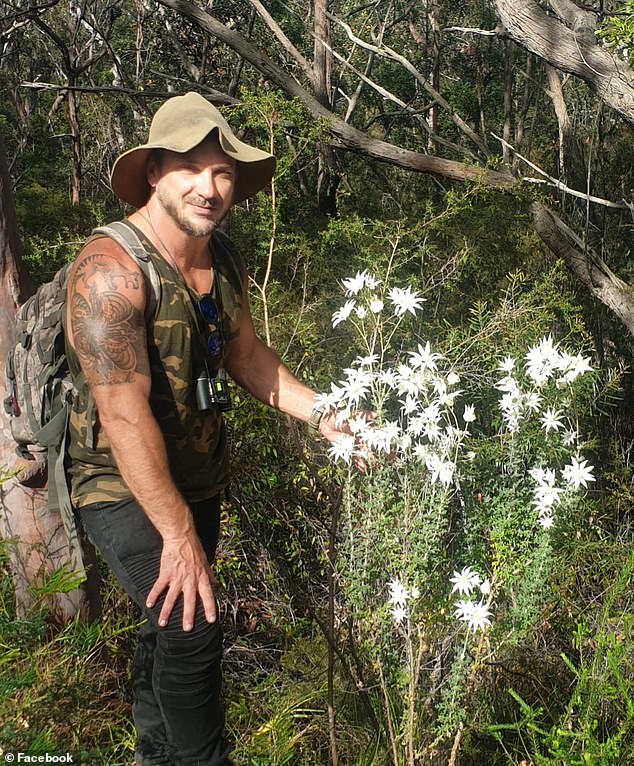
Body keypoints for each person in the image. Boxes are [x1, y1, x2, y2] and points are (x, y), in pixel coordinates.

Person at [64, 91, 348, 766]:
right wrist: (178, 534)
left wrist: (328, 415)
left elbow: (247, 357)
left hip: (196, 477)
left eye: (223, 172)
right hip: (120, 484)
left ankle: (152, 753)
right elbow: (123, 414)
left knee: (164, 625)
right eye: (192, 167)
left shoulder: (221, 258)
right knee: (191, 623)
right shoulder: (110, 271)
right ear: (156, 172)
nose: (211, 186)